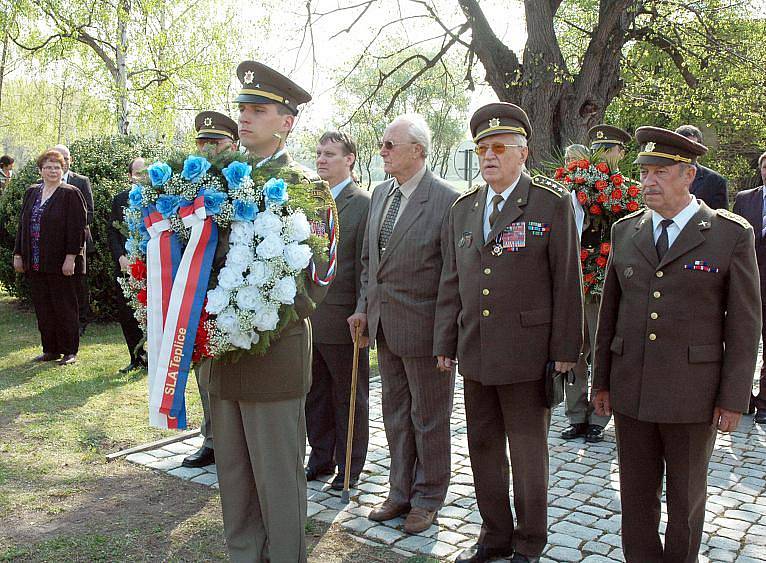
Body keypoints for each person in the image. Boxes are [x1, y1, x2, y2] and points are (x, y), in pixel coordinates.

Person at [592, 127, 760, 563]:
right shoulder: (628, 230)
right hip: (632, 390)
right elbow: (610, 313)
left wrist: (733, 398)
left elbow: (744, 324)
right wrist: (602, 383)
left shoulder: (728, 234)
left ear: (689, 175)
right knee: (635, 498)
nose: (648, 181)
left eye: (660, 172)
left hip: (692, 395)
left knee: (686, 502)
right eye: (644, 171)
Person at [434, 102, 583, 563]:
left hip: (526, 353)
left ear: (523, 153)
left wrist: (565, 350)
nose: (488, 156)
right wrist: (444, 343)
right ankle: (494, 536)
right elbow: (451, 281)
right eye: (482, 148)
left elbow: (566, 280)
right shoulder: (464, 209)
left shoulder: (549, 203)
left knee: (526, 454)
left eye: (499, 147)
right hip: (476, 351)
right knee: (482, 448)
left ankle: (529, 543)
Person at [207, 60, 334, 563]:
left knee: (278, 484)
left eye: (258, 109)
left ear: (287, 121)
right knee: (234, 481)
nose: (245, 117)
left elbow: (317, 279)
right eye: (242, 108)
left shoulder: (306, 187)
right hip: (219, 355)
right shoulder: (213, 183)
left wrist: (248, 322)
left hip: (272, 356)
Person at [347, 113, 459, 534]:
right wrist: (362, 307)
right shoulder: (380, 194)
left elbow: (453, 276)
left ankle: (428, 497)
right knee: (394, 414)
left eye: (391, 145)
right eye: (382, 144)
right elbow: (368, 264)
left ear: (419, 150)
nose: (383, 151)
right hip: (383, 328)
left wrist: (447, 337)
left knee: (429, 418)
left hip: (427, 333)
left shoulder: (447, 200)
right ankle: (399, 492)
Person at [305, 131, 371, 490]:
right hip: (311, 317)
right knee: (314, 394)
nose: (321, 159)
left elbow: (365, 266)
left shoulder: (362, 203)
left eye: (329, 154)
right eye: (318, 153)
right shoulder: (314, 200)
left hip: (345, 319)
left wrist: (363, 310)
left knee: (349, 397)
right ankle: (320, 457)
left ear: (350, 159)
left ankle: (349, 466)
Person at [561, 124, 631, 444]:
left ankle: (599, 417)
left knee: (602, 350)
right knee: (575, 348)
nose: (606, 156)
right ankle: (576, 414)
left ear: (620, 154)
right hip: (576, 278)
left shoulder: (623, 191)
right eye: (600, 151)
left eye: (611, 150)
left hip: (606, 281)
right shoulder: (576, 186)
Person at [181, 110, 239, 470]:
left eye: (215, 142)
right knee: (204, 369)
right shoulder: (189, 183)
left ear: (232, 144)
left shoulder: (245, 181)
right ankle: (212, 439)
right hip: (198, 287)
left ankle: (233, 439)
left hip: (233, 289)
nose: (207, 150)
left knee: (230, 370)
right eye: (202, 143)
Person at [13, 150, 87, 366]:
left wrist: (71, 257)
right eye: (48, 167)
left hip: (61, 262)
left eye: (57, 167)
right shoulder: (32, 192)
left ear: (63, 169)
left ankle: (70, 351)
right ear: (41, 170)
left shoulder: (70, 193)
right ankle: (50, 349)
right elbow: (22, 225)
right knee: (44, 307)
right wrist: (18, 254)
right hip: (35, 261)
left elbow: (77, 229)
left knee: (65, 307)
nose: (53, 170)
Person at [732, 150, 766, 423]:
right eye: (764, 167)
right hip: (747, 282)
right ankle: (742, 398)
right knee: (742, 341)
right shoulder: (746, 199)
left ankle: (764, 402)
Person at [108, 157, 147, 373]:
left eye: (145, 173)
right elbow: (112, 232)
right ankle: (136, 357)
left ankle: (157, 358)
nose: (141, 177)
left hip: (152, 266)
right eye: (137, 173)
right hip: (126, 266)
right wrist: (120, 257)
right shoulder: (120, 199)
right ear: (130, 176)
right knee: (127, 313)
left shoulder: (159, 199)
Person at [52, 144, 94, 334]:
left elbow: (90, 213)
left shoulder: (81, 181)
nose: (63, 161)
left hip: (78, 242)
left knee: (78, 283)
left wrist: (69, 229)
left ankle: (81, 322)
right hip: (53, 245)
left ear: (71, 160)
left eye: (66, 158)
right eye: (59, 158)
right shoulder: (46, 182)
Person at [675, 125, 728, 209]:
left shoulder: (715, 181)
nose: (688, 150)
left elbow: (720, 218)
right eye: (684, 145)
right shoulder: (662, 174)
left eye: (693, 146)